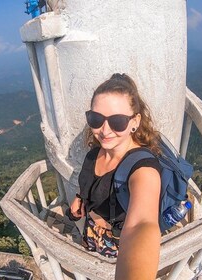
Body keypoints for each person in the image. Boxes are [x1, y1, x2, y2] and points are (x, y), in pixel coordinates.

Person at [68, 73, 162, 279]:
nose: (105, 130)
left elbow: (142, 225)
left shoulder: (143, 169)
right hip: (92, 230)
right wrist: (80, 197)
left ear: (135, 121)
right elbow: (91, 182)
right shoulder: (95, 153)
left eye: (117, 122)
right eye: (96, 119)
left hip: (117, 243)